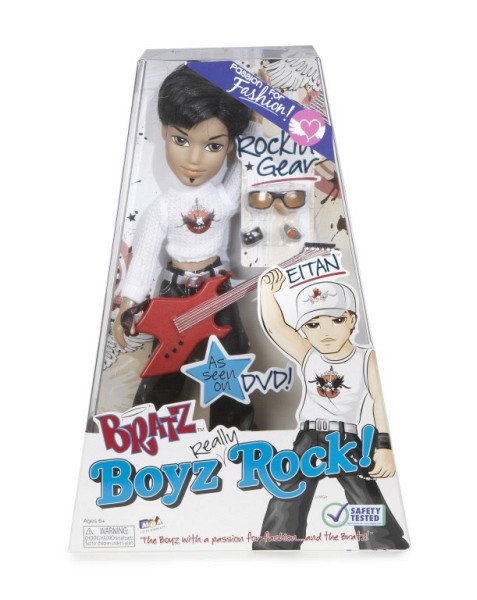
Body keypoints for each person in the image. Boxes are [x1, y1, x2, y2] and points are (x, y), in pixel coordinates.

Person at [113, 65, 256, 430]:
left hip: (216, 289)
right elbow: (145, 257)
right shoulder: (162, 208)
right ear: (164, 131)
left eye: (213, 146)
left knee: (230, 364)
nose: (194, 159)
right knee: (165, 364)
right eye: (181, 140)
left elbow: (246, 167)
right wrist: (130, 301)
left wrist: (255, 119)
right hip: (175, 291)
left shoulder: (221, 199)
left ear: (229, 146)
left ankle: (236, 434)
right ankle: (145, 430)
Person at [252, 270, 409, 549]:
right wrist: (266, 291)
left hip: (345, 439)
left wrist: (384, 446)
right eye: (313, 325)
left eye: (336, 320)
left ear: (352, 320)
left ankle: (382, 543)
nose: (325, 332)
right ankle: (275, 543)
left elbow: (380, 399)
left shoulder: (366, 357)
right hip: (309, 436)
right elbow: (276, 327)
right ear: (304, 330)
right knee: (289, 488)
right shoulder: (308, 353)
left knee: (362, 491)